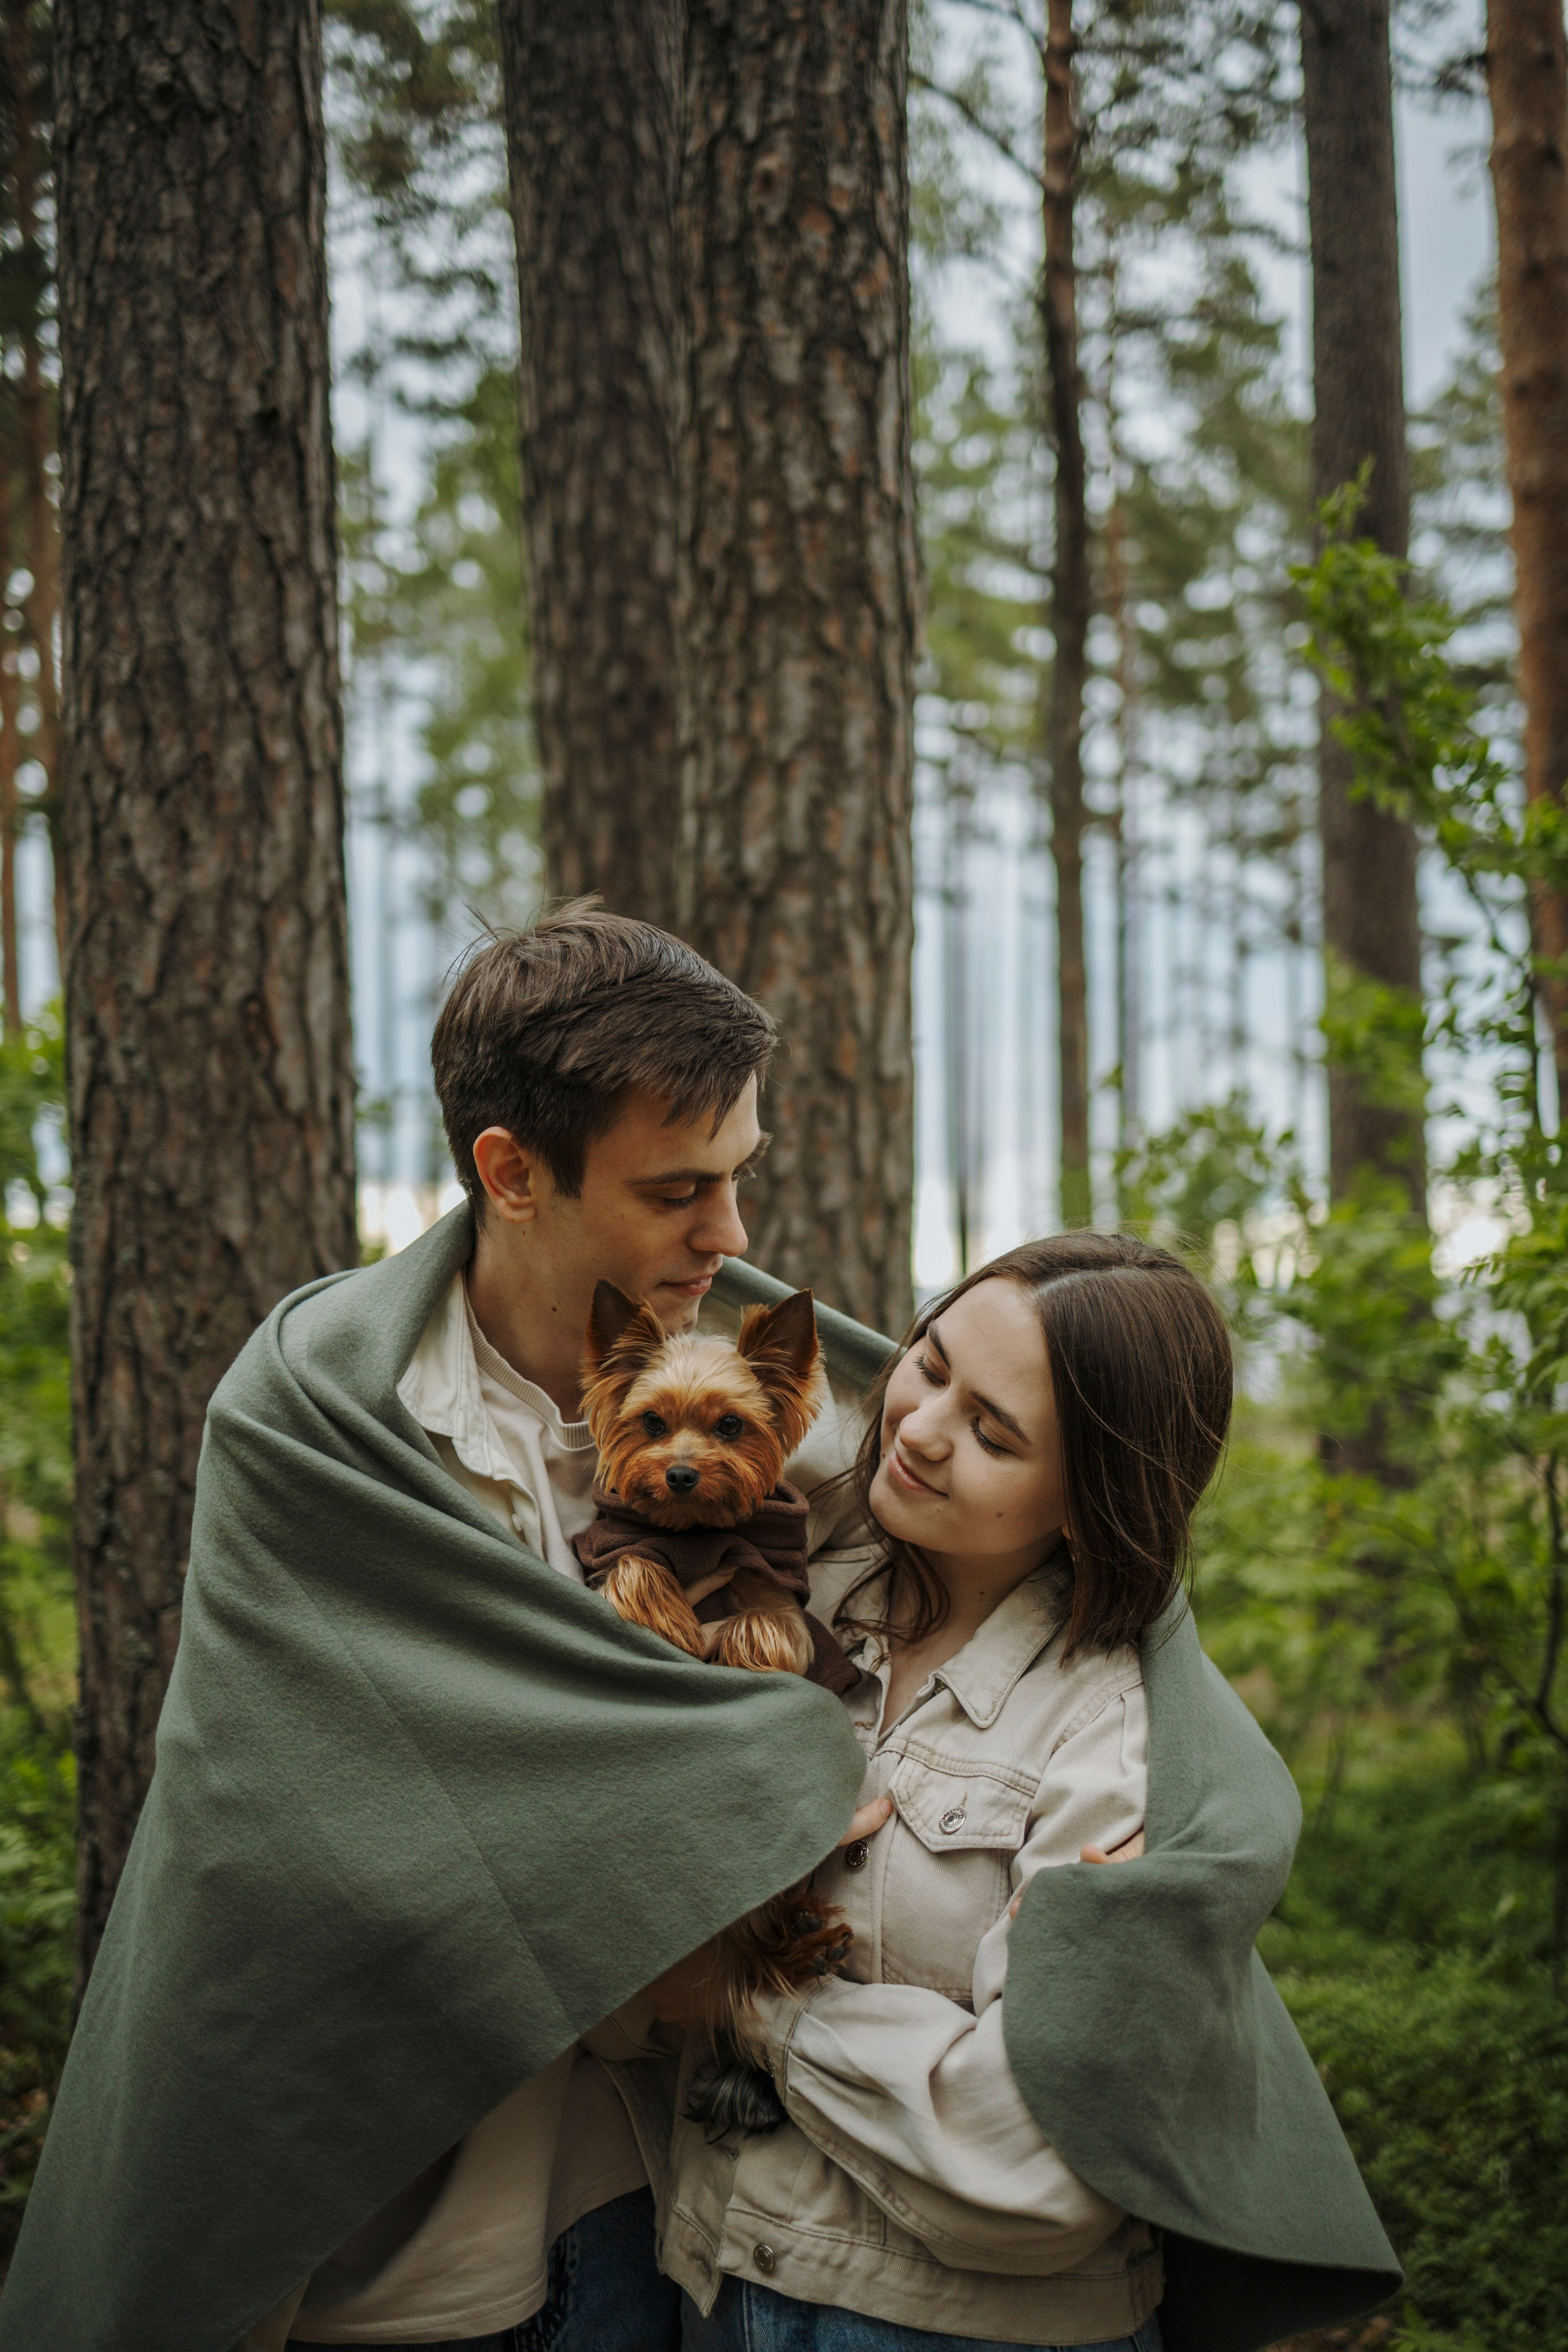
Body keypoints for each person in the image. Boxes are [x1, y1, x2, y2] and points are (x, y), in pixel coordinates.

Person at [0, 905, 878, 2352]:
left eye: (740, 1178)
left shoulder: (819, 1411)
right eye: (679, 1192)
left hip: (703, 2203)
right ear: (510, 1172)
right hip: (426, 2240)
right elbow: (284, 1833)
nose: (735, 1237)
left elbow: (1012, 1587)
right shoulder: (322, 1422)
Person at [650, 1237, 1231, 2350]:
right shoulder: (788, 1588)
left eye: (994, 1432)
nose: (918, 1428)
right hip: (714, 2284)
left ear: (1088, 1501)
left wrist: (745, 2001)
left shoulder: (1114, 1734)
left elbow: (1039, 2155)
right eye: (930, 1360)